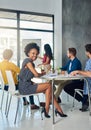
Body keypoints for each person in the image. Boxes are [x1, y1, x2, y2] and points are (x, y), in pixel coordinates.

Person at [18, 43, 67, 118]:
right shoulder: (27, 61)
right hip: (25, 87)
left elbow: (32, 75)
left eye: (36, 54)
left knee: (49, 89)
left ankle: (59, 110)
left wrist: (41, 74)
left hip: (26, 86)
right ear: (28, 53)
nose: (35, 55)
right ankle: (47, 109)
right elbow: (36, 74)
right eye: (33, 53)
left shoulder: (30, 63)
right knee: (48, 86)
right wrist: (41, 74)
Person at [69, 44, 91, 111]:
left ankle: (85, 101)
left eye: (85, 51)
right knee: (67, 87)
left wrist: (78, 71)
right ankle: (84, 101)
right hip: (85, 82)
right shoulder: (88, 61)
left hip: (88, 83)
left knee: (67, 87)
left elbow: (90, 74)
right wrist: (79, 72)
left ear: (87, 52)